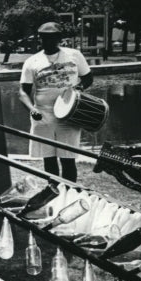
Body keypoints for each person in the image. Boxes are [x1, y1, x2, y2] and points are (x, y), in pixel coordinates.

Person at [17, 21, 94, 183]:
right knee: (49, 158)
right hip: (43, 115)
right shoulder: (32, 61)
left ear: (59, 38)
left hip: (69, 114)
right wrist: (32, 109)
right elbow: (23, 92)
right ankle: (54, 191)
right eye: (44, 38)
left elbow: (88, 78)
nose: (47, 41)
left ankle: (69, 192)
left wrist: (78, 89)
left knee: (68, 159)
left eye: (52, 38)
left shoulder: (74, 55)